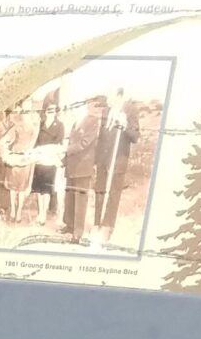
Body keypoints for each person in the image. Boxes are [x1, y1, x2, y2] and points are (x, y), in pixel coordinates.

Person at [63, 94, 110, 243]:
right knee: (70, 196)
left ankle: (78, 232)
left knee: (80, 200)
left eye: (91, 104)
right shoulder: (79, 120)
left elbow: (84, 143)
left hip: (83, 165)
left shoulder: (94, 121)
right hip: (72, 164)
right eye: (87, 103)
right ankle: (69, 225)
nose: (88, 106)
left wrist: (66, 149)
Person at [97, 95, 141, 244]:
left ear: (119, 95)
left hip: (118, 158)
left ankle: (107, 228)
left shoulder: (130, 110)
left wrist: (124, 125)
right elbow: (101, 136)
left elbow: (135, 136)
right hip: (103, 159)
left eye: (110, 95)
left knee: (113, 195)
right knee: (100, 192)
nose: (107, 98)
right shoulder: (106, 111)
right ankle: (97, 224)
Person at [29, 90, 65, 227]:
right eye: (49, 110)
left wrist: (49, 150)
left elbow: (59, 142)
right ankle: (41, 213)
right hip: (40, 161)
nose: (51, 112)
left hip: (51, 161)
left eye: (53, 110)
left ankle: (44, 213)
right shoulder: (41, 124)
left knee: (47, 189)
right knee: (38, 189)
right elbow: (36, 142)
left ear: (56, 111)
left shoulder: (59, 125)